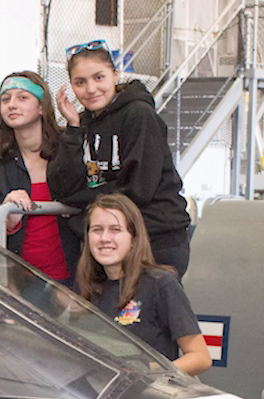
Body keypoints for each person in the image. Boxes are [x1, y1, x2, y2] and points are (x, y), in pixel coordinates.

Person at [47, 40, 191, 277]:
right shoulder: (83, 124)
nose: (91, 89)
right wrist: (72, 128)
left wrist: (79, 203)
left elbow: (138, 188)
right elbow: (61, 186)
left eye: (99, 77)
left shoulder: (139, 115)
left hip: (155, 238)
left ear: (115, 75)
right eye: (80, 82)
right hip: (110, 240)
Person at [74, 193, 210, 376]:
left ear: (134, 238)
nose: (105, 238)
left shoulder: (161, 284)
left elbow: (200, 358)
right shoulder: (86, 287)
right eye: (97, 230)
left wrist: (147, 374)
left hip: (149, 391)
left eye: (115, 230)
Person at [0, 70, 70, 281]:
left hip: (72, 276)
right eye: (5, 99)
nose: (12, 105)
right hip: (19, 279)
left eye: (22, 98)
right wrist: (8, 216)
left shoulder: (67, 145)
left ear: (42, 107)